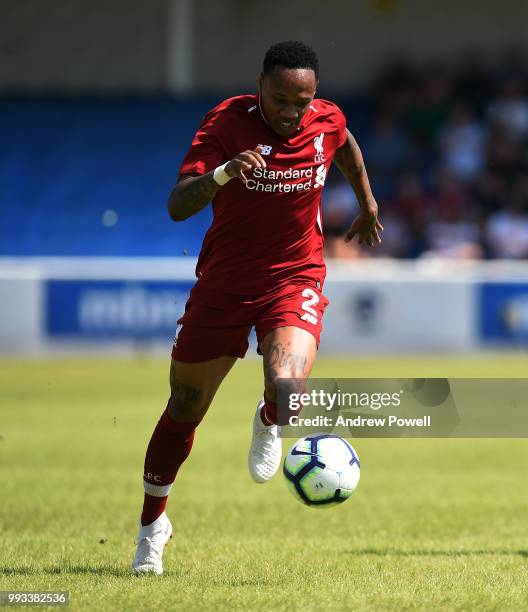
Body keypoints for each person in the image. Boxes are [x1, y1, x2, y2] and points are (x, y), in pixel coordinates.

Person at [132, 40, 382, 575]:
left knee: (288, 387)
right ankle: (153, 527)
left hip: (295, 276)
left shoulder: (326, 118)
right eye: (281, 100)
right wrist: (222, 173)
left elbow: (345, 144)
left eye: (302, 102)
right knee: (184, 408)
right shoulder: (228, 122)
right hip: (224, 285)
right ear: (260, 86)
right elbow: (178, 206)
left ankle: (270, 415)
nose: (292, 113)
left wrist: (367, 202)